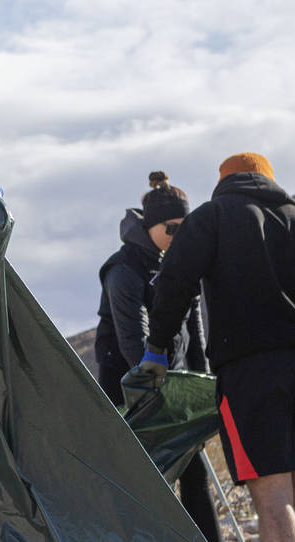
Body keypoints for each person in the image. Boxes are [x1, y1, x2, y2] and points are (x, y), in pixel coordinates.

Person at [141, 153, 295, 542]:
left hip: (251, 374)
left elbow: (174, 284)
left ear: (224, 182)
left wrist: (157, 348)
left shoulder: (212, 218)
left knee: (274, 501)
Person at [94, 172, 221, 542]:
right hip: (129, 392)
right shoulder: (123, 269)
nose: (180, 235)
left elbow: (195, 328)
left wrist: (203, 381)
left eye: (186, 227)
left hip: (173, 387)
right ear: (150, 226)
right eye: (172, 227)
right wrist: (153, 387)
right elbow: (133, 337)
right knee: (140, 480)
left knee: (194, 473)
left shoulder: (179, 264)